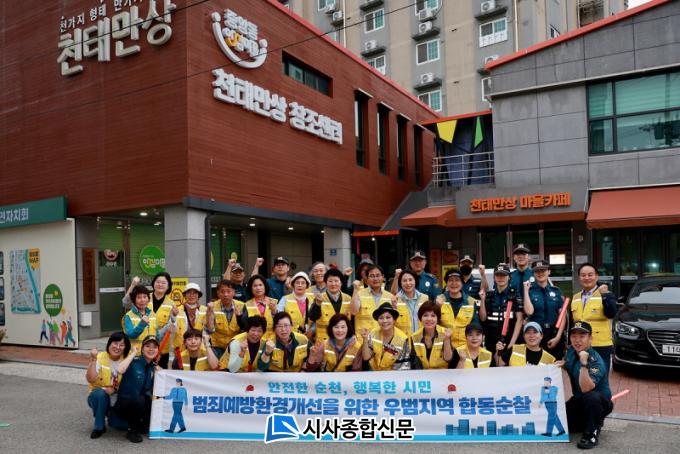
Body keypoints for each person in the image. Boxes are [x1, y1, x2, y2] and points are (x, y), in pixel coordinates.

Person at [563, 321, 613, 449]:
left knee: (591, 396)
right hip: (579, 400)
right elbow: (568, 364)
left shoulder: (595, 361)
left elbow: (586, 388)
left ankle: (592, 433)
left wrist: (584, 363)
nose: (577, 340)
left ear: (590, 338)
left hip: (599, 403)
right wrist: (561, 364)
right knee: (563, 422)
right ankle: (588, 422)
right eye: (574, 336)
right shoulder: (571, 351)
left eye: (582, 336)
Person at [86, 332, 135, 439]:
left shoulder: (127, 360)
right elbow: (90, 379)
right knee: (99, 395)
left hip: (117, 397)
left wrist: (115, 389)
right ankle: (99, 426)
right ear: (109, 343)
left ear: (125, 347)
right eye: (115, 343)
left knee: (119, 425)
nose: (117, 347)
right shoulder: (100, 357)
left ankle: (111, 415)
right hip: (99, 394)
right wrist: (93, 360)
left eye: (121, 345)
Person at [571, 263, 618, 374]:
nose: (586, 278)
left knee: (599, 377)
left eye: (590, 275)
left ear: (596, 277)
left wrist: (605, 295)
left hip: (600, 345)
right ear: (579, 278)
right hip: (580, 345)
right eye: (583, 275)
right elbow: (573, 323)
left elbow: (612, 313)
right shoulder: (575, 297)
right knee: (581, 376)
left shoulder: (606, 294)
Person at [113, 335, 160, 443]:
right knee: (139, 399)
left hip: (140, 404)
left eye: (154, 347)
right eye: (147, 346)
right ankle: (132, 431)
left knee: (151, 400)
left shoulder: (153, 367)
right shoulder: (134, 361)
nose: (151, 349)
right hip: (125, 404)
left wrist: (160, 370)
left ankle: (141, 425)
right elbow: (120, 369)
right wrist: (133, 353)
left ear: (158, 350)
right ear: (142, 349)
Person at [523, 260, 567, 359]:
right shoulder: (530, 291)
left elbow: (562, 316)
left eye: (543, 270)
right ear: (533, 274)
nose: (540, 273)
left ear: (549, 272)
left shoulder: (556, 291)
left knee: (555, 362)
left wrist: (558, 337)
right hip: (536, 334)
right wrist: (525, 291)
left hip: (554, 332)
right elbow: (529, 311)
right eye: (537, 271)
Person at [480, 264, 523, 357]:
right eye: (498, 275)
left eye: (503, 275)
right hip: (490, 341)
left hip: (509, 339)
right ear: (494, 277)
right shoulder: (489, 295)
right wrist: (482, 300)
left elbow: (520, 320)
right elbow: (483, 318)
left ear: (509, 277)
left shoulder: (515, 294)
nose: (500, 278)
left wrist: (511, 344)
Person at [360, 302, 410, 371]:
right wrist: (365, 339)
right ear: (377, 320)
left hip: (394, 375)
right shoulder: (373, 333)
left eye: (388, 317)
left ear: (394, 320)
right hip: (374, 373)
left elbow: (404, 366)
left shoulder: (403, 339)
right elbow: (366, 357)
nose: (385, 321)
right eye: (381, 318)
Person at [436, 269, 479, 348]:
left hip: (465, 347)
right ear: (446, 283)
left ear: (462, 283)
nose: (454, 283)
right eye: (450, 280)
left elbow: (475, 327)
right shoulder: (439, 300)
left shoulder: (470, 301)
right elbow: (433, 324)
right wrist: (437, 307)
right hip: (443, 346)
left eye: (457, 280)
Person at [307, 268, 352, 343]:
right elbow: (312, 317)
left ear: (341, 283)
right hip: (323, 341)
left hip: (343, 341)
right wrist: (317, 304)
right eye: (330, 281)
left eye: (336, 281)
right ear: (325, 283)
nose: (333, 284)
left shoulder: (348, 298)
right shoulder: (319, 298)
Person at [209, 279, 248, 358]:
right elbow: (209, 329)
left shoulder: (242, 305)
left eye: (228, 291)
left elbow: (245, 328)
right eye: (222, 292)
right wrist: (209, 313)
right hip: (217, 346)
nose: (225, 294)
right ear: (218, 293)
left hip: (236, 344)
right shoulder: (212, 307)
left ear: (234, 292)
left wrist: (239, 317)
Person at [409, 301, 453, 369]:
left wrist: (446, 339)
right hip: (422, 373)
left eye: (433, 316)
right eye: (425, 315)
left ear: (437, 319)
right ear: (420, 318)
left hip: (442, 372)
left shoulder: (445, 333)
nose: (429, 319)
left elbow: (448, 359)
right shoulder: (414, 337)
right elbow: (413, 362)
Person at [351, 264, 392, 335]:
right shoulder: (359, 294)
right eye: (372, 276)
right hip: (364, 338)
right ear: (366, 278)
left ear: (383, 277)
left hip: (383, 338)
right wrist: (355, 290)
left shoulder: (390, 296)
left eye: (378, 275)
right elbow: (353, 312)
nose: (375, 279)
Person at [391, 270, 429, 337]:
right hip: (402, 339)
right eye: (404, 280)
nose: (408, 283)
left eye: (410, 280)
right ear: (400, 283)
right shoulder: (395, 300)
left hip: (421, 339)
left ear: (415, 281)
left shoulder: (424, 298)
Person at [123, 285, 157, 354]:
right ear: (134, 300)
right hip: (135, 355)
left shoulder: (152, 314)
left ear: (148, 299)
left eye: (145, 297)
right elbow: (131, 335)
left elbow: (157, 334)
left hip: (151, 354)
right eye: (139, 297)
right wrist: (142, 324)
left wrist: (158, 351)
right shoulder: (128, 316)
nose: (142, 300)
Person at [277, 271, 313, 336]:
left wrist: (312, 330)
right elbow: (279, 317)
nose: (300, 285)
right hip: (290, 336)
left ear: (307, 286)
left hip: (309, 336)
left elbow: (317, 319)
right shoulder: (285, 299)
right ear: (293, 285)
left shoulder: (313, 299)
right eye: (297, 283)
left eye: (303, 283)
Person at [244, 274, 278, 339]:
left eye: (260, 285)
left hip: (272, 338)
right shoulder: (247, 304)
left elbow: (279, 323)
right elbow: (244, 325)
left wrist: (274, 311)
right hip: (254, 338)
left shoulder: (274, 302)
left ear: (265, 286)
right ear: (251, 288)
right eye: (255, 286)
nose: (258, 288)